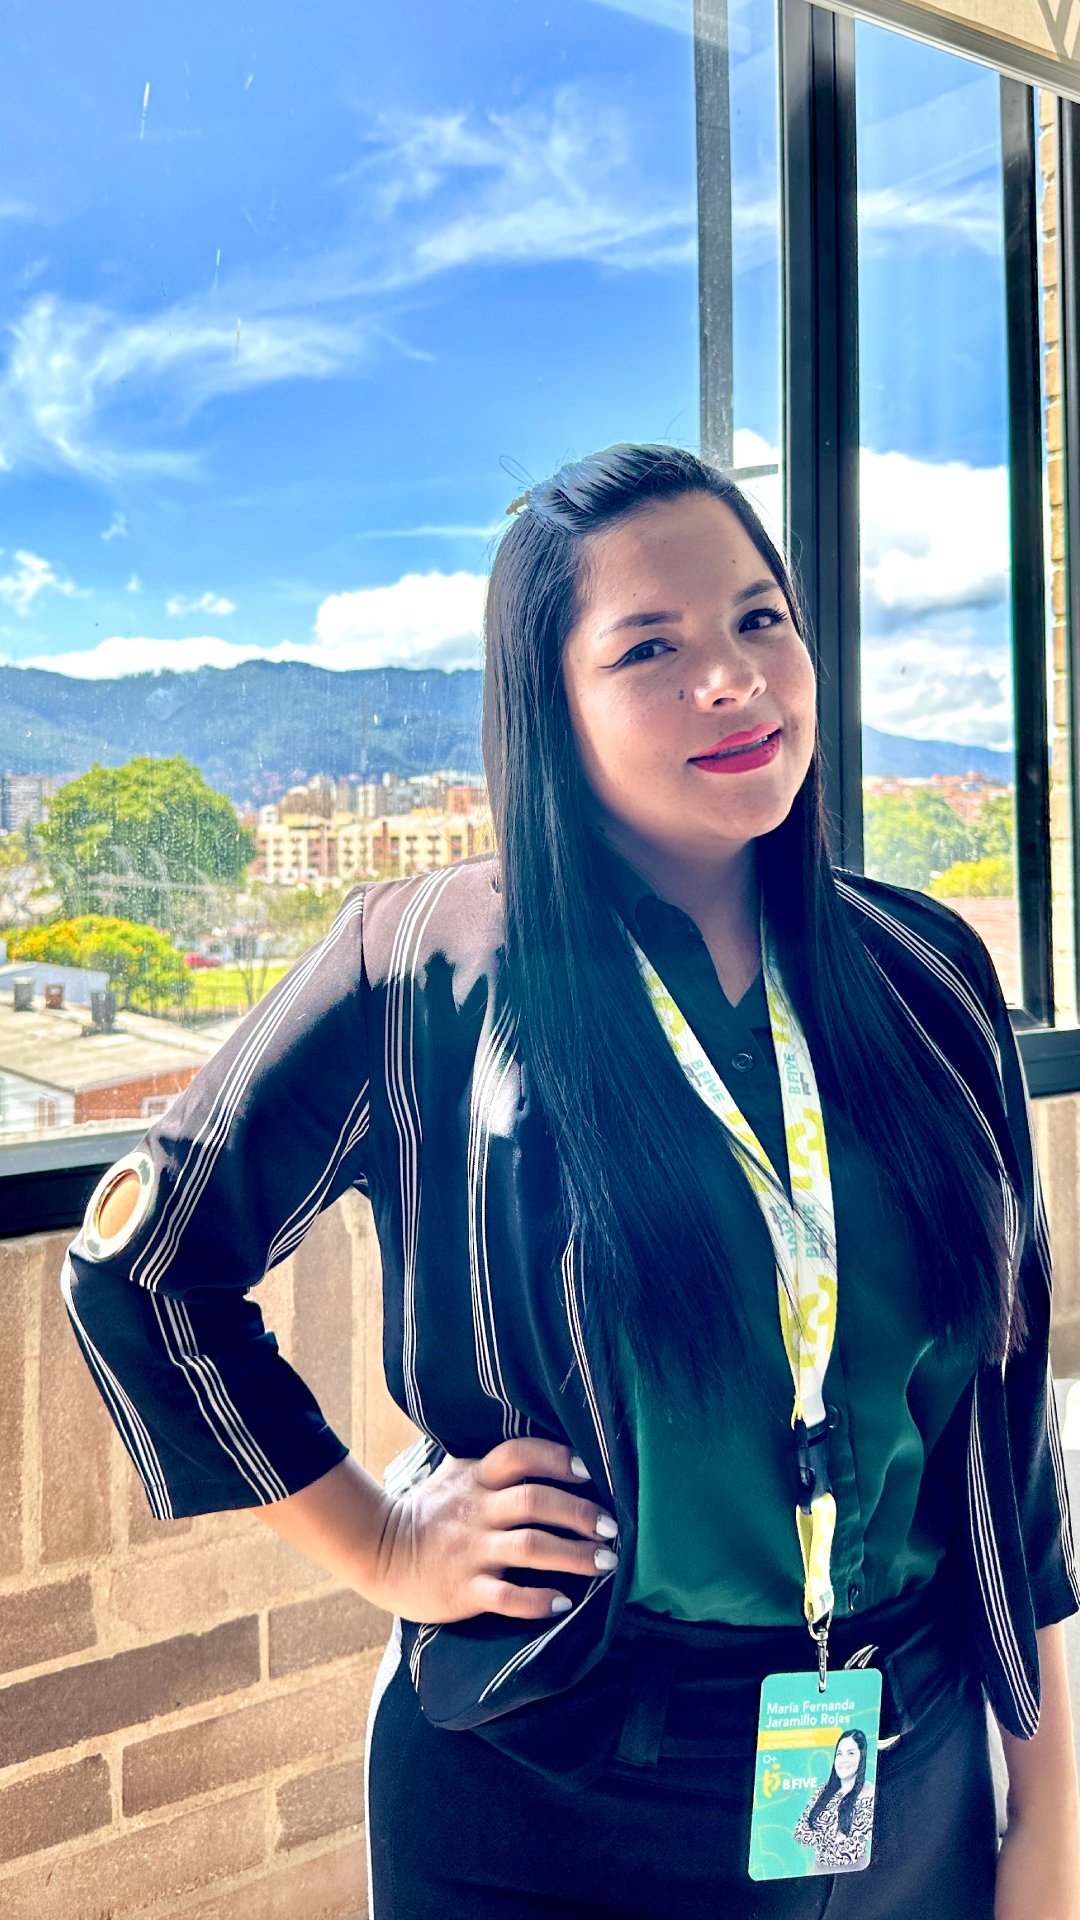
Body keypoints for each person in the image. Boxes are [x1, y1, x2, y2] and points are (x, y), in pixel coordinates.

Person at [62, 443, 1080, 1920]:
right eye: (650, 648)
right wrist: (385, 1542)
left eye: (760, 619)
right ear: (551, 706)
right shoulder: (423, 965)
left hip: (902, 1766)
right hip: (558, 1785)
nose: (733, 678)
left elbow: (1007, 1416)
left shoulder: (926, 973)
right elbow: (145, 1272)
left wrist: (1051, 1811)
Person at [793, 1730, 875, 1874]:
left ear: (862, 1757)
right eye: (839, 1753)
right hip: (817, 1871)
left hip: (854, 1874)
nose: (843, 1759)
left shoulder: (870, 1794)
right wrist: (831, 1835)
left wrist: (819, 1834)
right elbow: (800, 1834)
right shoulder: (823, 1791)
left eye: (851, 1753)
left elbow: (848, 1847)